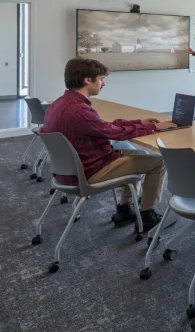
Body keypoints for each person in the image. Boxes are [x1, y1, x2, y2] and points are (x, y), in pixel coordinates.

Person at [42, 57, 178, 232]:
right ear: (87, 80)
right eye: (101, 79)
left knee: (141, 156)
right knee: (158, 161)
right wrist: (154, 127)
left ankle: (124, 210)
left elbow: (105, 127)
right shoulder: (79, 110)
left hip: (70, 170)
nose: (103, 84)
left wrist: (139, 122)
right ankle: (146, 215)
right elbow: (116, 134)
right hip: (90, 171)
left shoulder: (60, 103)